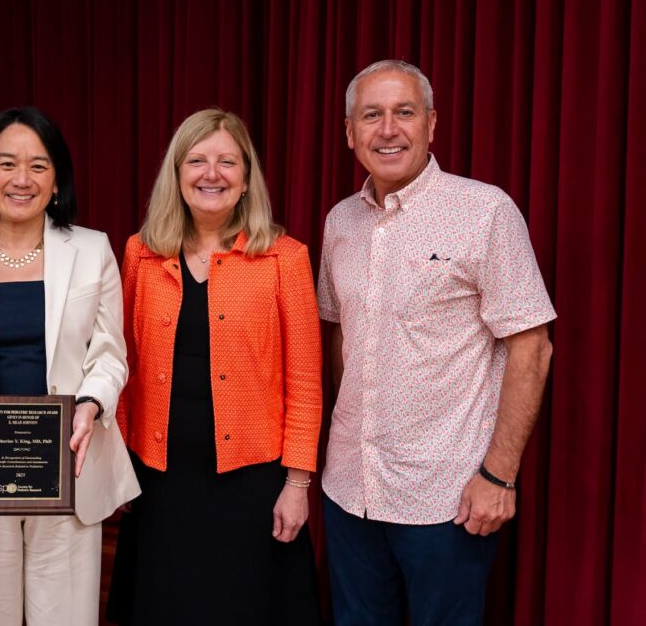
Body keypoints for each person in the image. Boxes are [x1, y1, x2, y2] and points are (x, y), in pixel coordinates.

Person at [317, 59, 556, 625]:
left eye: (404, 113)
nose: (388, 129)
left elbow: (533, 347)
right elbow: (339, 339)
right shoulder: (340, 222)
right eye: (371, 115)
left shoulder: (485, 211)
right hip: (350, 491)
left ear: (432, 124)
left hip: (447, 499)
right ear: (350, 133)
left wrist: (498, 475)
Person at [0, 107, 139, 626]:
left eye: (38, 165)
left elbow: (109, 353)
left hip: (68, 466)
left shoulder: (91, 248)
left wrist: (90, 403)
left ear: (57, 180)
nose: (21, 178)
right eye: (7, 163)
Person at [108, 108, 323, 625]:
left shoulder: (285, 258)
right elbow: (122, 366)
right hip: (159, 479)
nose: (212, 173)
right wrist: (114, 470)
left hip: (251, 486)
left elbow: (305, 380)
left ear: (246, 178)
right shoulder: (140, 253)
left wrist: (297, 485)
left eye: (228, 161)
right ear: (177, 174)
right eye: (198, 160)